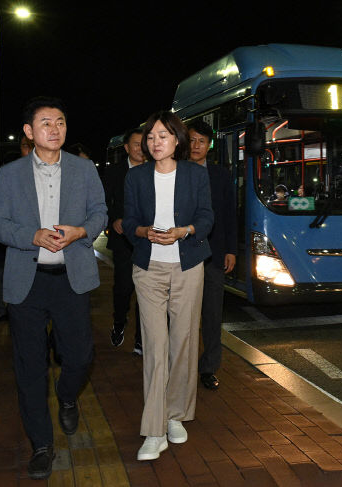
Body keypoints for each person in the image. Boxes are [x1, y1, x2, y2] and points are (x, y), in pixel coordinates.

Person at [0, 96, 107, 480]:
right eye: (45, 123)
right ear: (29, 131)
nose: (54, 129)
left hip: (71, 280)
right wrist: (32, 236)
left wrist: (81, 231)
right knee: (29, 367)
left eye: (60, 122)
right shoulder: (10, 174)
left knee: (80, 356)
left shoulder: (84, 170)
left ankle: (68, 395)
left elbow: (100, 213)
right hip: (28, 282)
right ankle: (41, 443)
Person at [123, 111, 213, 461]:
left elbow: (207, 216)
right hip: (149, 269)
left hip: (188, 265)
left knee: (184, 342)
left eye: (162, 136)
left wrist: (185, 230)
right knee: (156, 346)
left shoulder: (194, 174)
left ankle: (176, 415)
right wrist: (144, 232)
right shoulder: (137, 178)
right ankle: (154, 429)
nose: (155, 142)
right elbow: (129, 220)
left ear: (177, 140)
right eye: (150, 137)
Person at [188, 120, 237, 390]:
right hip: (181, 255)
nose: (196, 146)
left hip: (214, 255)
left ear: (209, 146)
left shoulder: (221, 176)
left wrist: (231, 249)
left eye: (202, 142)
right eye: (192, 140)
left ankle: (208, 368)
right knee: (181, 316)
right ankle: (180, 366)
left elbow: (230, 214)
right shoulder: (175, 172)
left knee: (211, 315)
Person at [0, 135, 34, 326]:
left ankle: (16, 310)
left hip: (22, 241)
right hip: (1, 243)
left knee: (17, 277)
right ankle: (1, 311)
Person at [104, 127, 145, 354]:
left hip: (148, 240)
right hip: (123, 240)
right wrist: (114, 220)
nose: (141, 148)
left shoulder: (155, 170)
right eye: (136, 144)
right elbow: (104, 202)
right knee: (124, 287)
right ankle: (119, 322)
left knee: (146, 290)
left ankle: (141, 338)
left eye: (144, 143)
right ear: (127, 148)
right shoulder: (115, 172)